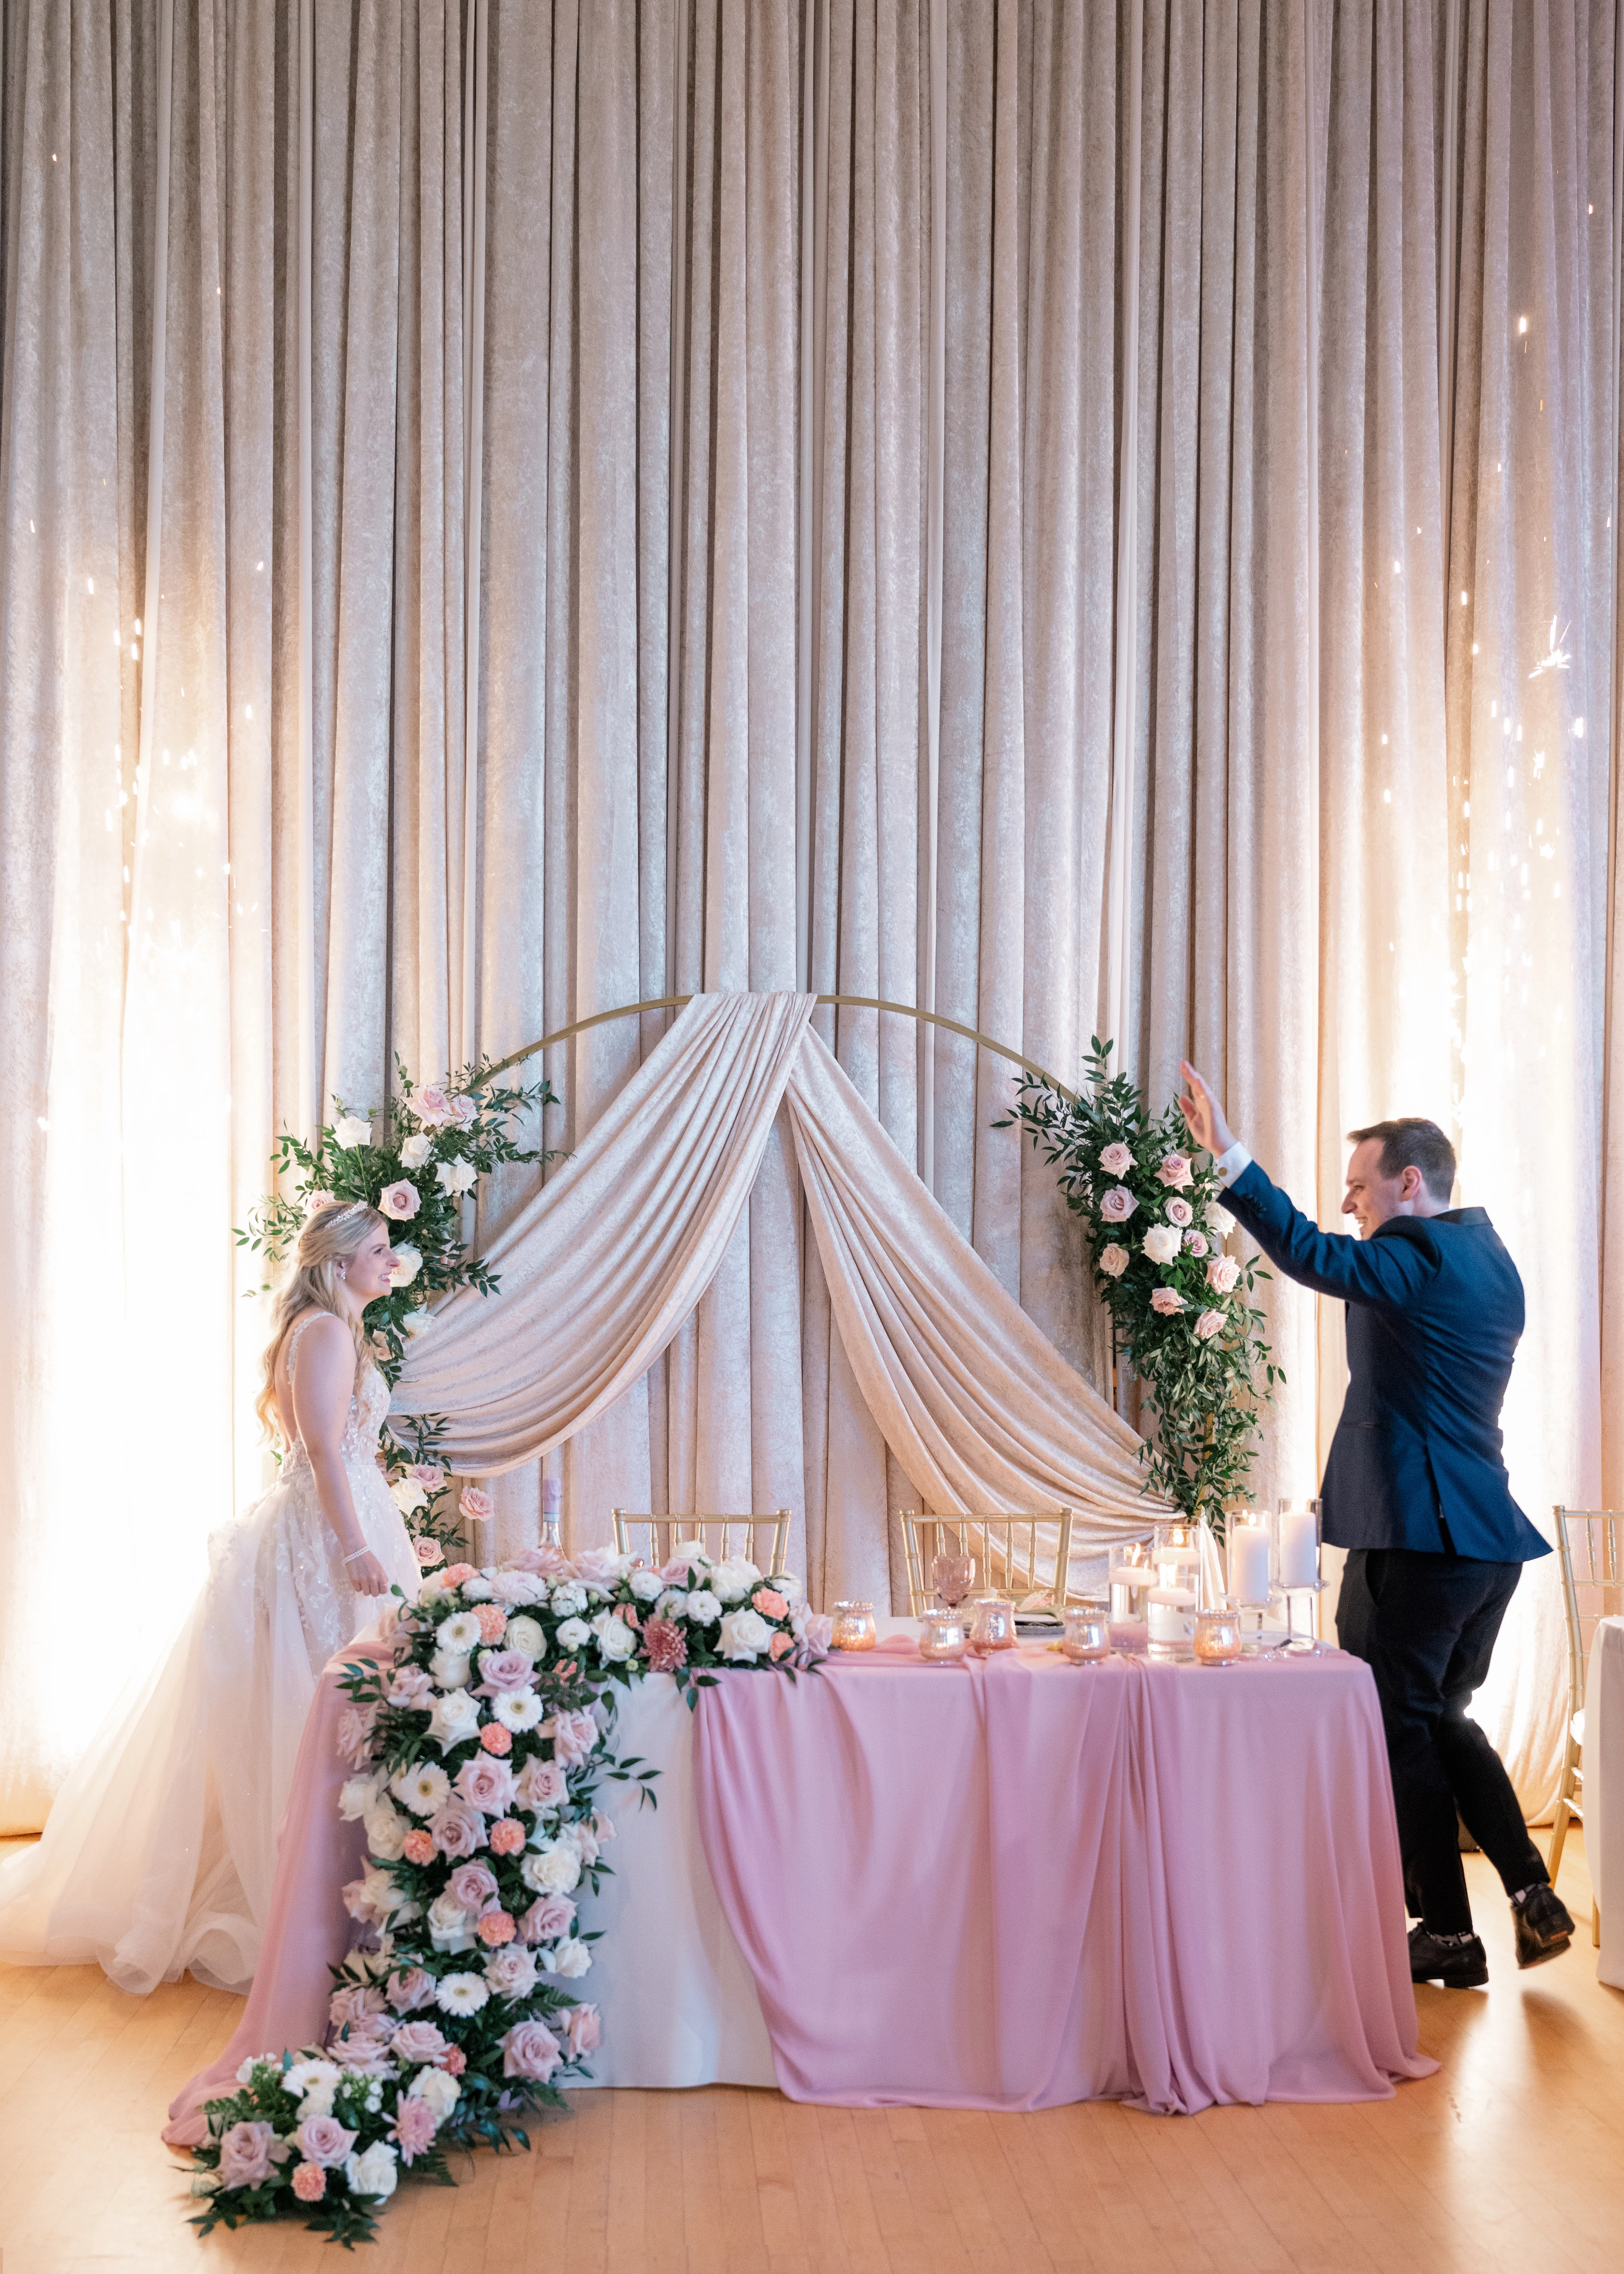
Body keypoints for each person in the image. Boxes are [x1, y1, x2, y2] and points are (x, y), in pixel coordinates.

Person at [1176, 1065, 1575, 1987]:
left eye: (1360, 1185)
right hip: (1485, 1542)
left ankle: (1445, 1930)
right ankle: (1527, 1891)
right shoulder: (1490, 1259)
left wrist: (1229, 1160)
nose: (1348, 1202)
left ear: (1408, 1183)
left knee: (1396, 1726)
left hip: (1420, 1536)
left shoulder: (1415, 1256)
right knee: (1440, 1715)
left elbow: (1321, 1258)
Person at [0, 1202, 420, 1995]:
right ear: (338, 1264)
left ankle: (334, 1885)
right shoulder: (327, 1334)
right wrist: (358, 1546)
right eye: (379, 1248)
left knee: (328, 1701)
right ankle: (315, 1899)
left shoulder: (328, 1330)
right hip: (329, 1537)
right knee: (324, 1703)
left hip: (333, 1521)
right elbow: (326, 1449)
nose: (391, 1261)